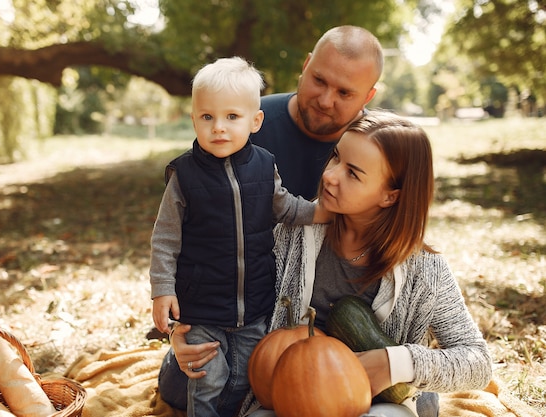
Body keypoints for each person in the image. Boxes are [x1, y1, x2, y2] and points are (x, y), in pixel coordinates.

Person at [160, 111, 493, 417]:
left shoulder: (424, 267)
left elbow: (478, 362)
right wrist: (180, 332)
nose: (331, 176)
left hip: (371, 402)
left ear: (390, 195)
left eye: (353, 173)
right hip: (286, 392)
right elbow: (216, 277)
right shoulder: (289, 232)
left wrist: (396, 362)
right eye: (336, 156)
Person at [149, 56, 330, 417]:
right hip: (202, 307)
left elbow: (286, 208)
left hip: (255, 304)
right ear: (194, 119)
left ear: (255, 121)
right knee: (208, 378)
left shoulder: (264, 165)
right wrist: (162, 289)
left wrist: (324, 212)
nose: (219, 127)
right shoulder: (184, 175)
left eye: (232, 117)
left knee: (247, 378)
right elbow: (165, 239)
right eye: (207, 117)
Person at [250, 25, 384, 200]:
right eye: (319, 80)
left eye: (344, 93)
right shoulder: (248, 122)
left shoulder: (380, 151)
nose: (325, 102)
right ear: (306, 66)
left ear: (368, 97)